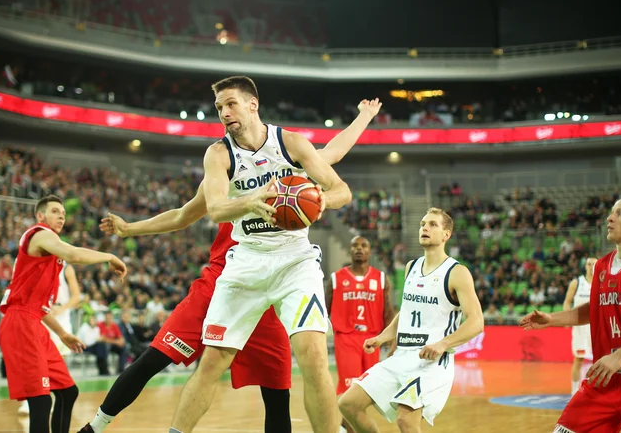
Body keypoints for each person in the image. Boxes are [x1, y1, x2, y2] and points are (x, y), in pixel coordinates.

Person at [79, 96, 382, 433]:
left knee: (278, 390)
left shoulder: (288, 163)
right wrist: (130, 228)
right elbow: (183, 215)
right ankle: (94, 427)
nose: (226, 114)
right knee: (161, 359)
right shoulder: (221, 176)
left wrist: (364, 116)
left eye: (232, 106)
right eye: (220, 108)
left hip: (279, 279)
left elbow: (332, 153)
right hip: (226, 278)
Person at [521, 195, 621, 433]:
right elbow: (595, 310)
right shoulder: (602, 266)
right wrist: (553, 319)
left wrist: (620, 355)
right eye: (611, 212)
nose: (609, 218)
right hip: (606, 376)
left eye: (619, 213)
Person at [338, 208, 484, 433]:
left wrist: (443, 343)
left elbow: (476, 322)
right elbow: (406, 310)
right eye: (423, 223)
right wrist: (382, 337)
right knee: (348, 404)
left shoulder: (457, 272)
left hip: (431, 363)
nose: (424, 227)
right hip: (401, 357)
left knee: (406, 421)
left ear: (446, 235)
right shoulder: (411, 267)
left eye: (433, 224)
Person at [0, 195, 127, 433]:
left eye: (63, 213)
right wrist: (109, 256)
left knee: (68, 392)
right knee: (41, 400)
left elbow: (40, 308)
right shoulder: (40, 233)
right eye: (55, 211)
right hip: (20, 322)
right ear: (41, 216)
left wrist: (63, 334)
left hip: (35, 321)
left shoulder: (51, 255)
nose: (61, 216)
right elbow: (74, 255)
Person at [327, 236, 394, 433]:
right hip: (346, 338)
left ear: (370, 251)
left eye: (364, 245)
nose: (359, 248)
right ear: (350, 250)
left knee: (367, 391)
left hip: (372, 339)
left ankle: (343, 426)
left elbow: (388, 311)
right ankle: (345, 429)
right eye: (355, 245)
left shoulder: (381, 279)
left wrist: (390, 337)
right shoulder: (336, 278)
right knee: (351, 388)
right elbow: (323, 308)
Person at [19, 261, 81, 414]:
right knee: (36, 360)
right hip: (42, 314)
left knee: (58, 362)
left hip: (61, 317)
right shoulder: (39, 265)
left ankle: (55, 397)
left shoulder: (67, 268)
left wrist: (62, 308)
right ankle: (33, 400)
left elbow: (76, 296)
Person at [561, 256, 597, 395]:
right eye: (589, 264)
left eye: (594, 264)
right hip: (580, 328)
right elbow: (567, 301)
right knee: (578, 359)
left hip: (596, 327)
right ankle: (574, 391)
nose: (591, 266)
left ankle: (594, 391)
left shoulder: (602, 283)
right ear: (585, 266)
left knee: (599, 361)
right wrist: (566, 318)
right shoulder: (577, 282)